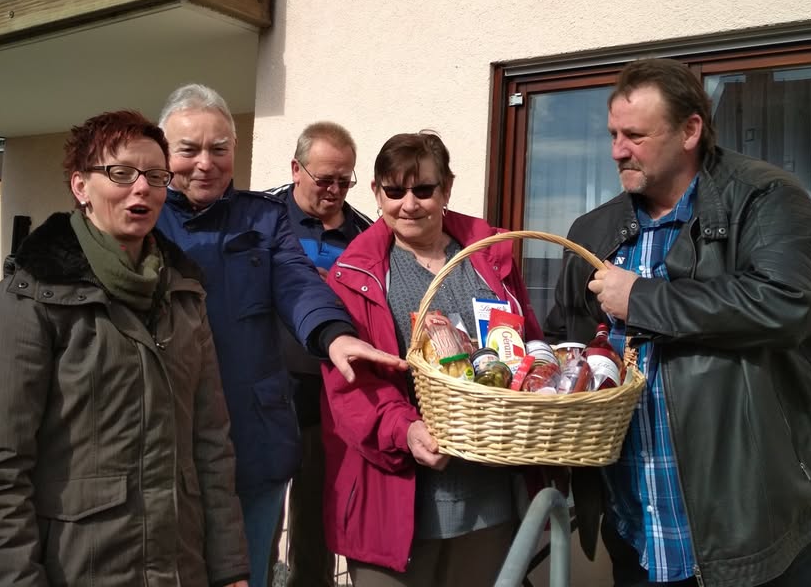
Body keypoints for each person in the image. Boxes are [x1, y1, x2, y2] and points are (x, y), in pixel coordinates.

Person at [544, 58, 811, 587]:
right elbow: (563, 339)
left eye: (635, 135)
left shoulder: (766, 197)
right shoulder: (592, 229)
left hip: (755, 529)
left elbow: (786, 304)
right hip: (636, 523)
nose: (617, 150)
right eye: (614, 134)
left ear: (690, 130)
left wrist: (641, 299)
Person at [0, 110, 249, 586]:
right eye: (120, 174)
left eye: (156, 176)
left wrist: (230, 568)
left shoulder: (185, 295)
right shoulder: (28, 299)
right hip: (78, 569)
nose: (142, 189)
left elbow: (212, 445)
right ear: (80, 187)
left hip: (181, 569)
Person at [154, 85, 406, 587]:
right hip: (164, 436)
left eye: (220, 148)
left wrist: (335, 336)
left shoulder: (261, 219)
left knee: (252, 569)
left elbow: (297, 283)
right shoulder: (143, 218)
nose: (205, 163)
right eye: (189, 149)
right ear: (161, 153)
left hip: (254, 432)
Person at [320, 131, 541, 586]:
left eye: (423, 190)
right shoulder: (356, 275)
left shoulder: (488, 257)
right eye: (394, 191)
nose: (409, 204)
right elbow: (351, 386)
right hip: (396, 495)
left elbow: (526, 343)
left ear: (447, 189)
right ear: (377, 192)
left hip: (488, 495)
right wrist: (405, 429)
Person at [265, 121, 372, 587]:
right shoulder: (262, 218)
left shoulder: (366, 235)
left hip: (330, 401)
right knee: (259, 518)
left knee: (315, 525)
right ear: (296, 169)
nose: (334, 190)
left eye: (344, 180)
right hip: (264, 396)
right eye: (324, 179)